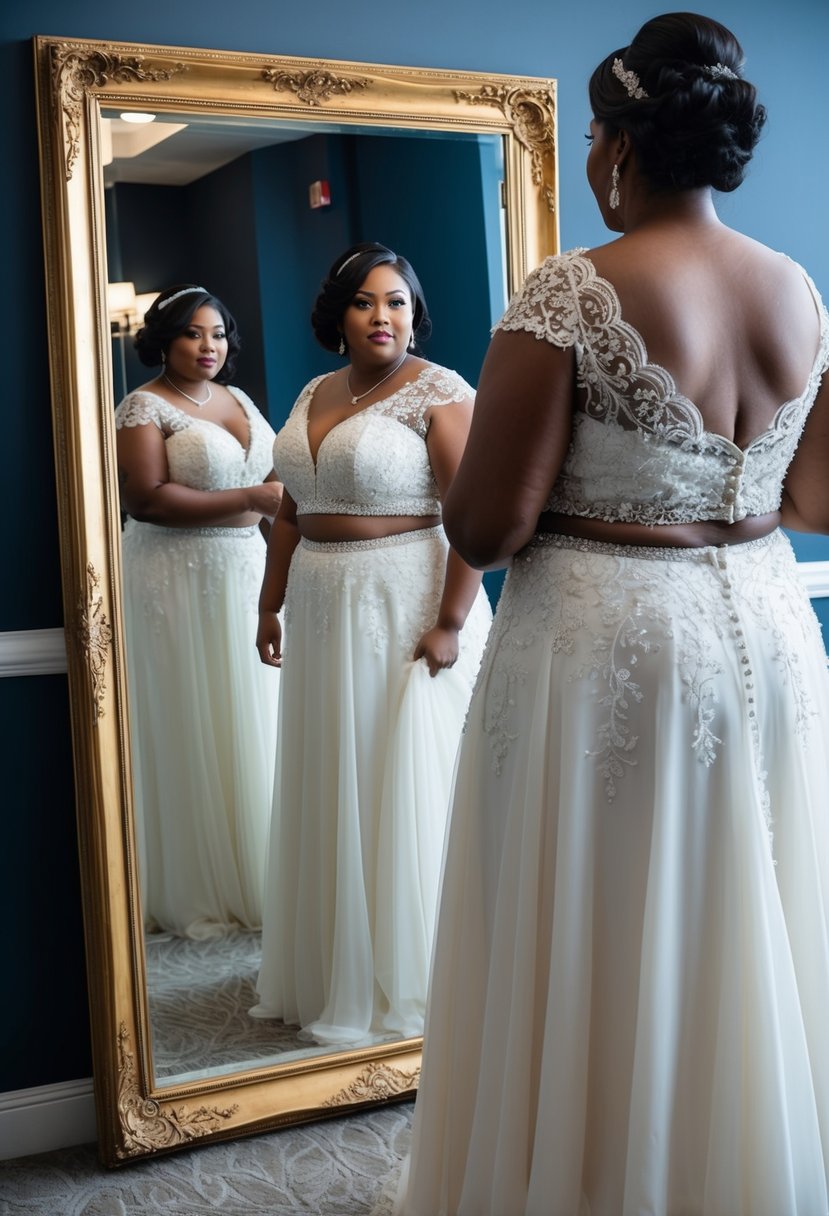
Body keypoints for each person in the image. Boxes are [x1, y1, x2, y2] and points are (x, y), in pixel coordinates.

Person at [395, 13, 829, 1215]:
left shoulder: (573, 290)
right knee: (743, 911)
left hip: (612, 650)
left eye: (595, 134)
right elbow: (815, 499)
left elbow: (483, 529)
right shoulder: (797, 288)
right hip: (774, 632)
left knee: (609, 926)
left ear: (620, 147)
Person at [250, 242, 492, 1045]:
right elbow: (291, 507)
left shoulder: (440, 391)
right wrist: (269, 601)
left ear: (413, 312)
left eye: (396, 301)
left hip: (401, 596)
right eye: (364, 301)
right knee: (333, 771)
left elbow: (474, 518)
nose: (381, 316)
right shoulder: (316, 389)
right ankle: (331, 963)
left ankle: (415, 971)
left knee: (396, 777)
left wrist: (452, 623)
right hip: (319, 599)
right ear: (339, 314)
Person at [115, 284, 283, 940]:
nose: (207, 346)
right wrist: (254, 497)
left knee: (253, 712)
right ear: (164, 339)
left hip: (244, 566)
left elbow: (277, 489)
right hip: (174, 573)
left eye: (216, 334)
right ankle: (195, 884)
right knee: (193, 714)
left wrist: (282, 560)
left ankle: (266, 872)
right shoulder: (143, 407)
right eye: (192, 333)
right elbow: (148, 501)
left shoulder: (239, 401)